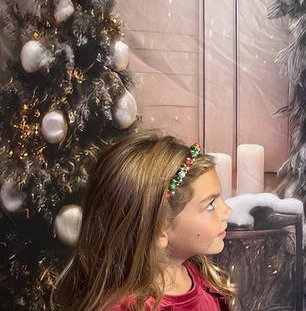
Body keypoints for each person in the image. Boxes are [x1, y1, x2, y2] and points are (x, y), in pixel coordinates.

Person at [51, 132, 235, 310]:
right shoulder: (126, 307)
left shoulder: (202, 277)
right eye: (210, 205)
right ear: (160, 227)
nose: (228, 211)